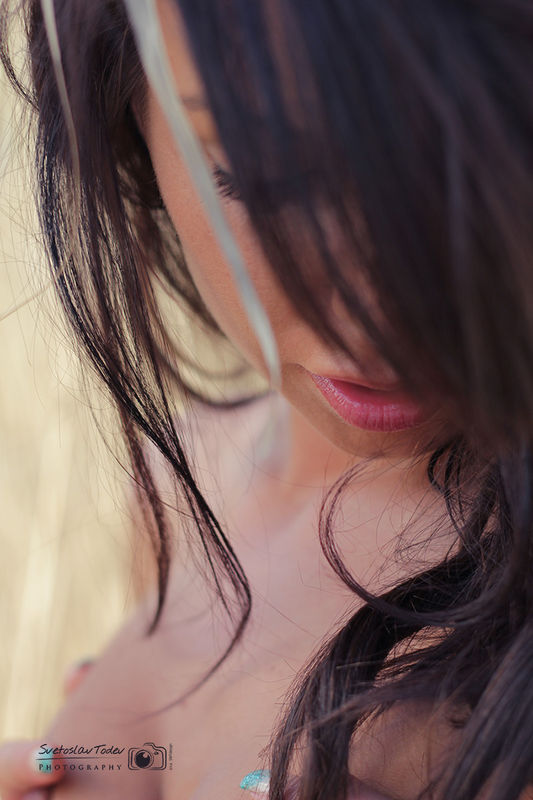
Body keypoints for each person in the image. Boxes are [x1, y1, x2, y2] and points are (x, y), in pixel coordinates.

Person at [1, 1, 532, 798]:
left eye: (479, 168)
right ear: (131, 116)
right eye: (261, 173)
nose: (379, 316)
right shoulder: (181, 482)